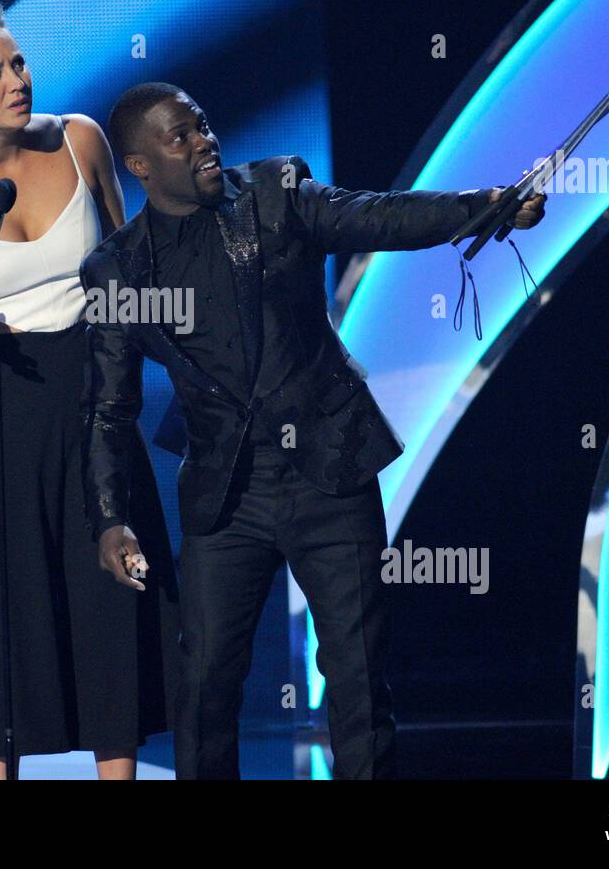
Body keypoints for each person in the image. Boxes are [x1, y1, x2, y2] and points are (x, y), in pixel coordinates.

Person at [81, 82, 547, 779]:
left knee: (357, 679)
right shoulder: (117, 269)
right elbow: (109, 407)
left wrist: (478, 209)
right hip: (225, 493)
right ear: (140, 165)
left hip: (329, 470)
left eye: (204, 125)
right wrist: (110, 517)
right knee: (205, 683)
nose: (205, 140)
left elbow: (377, 217)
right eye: (180, 135)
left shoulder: (276, 191)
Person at [0, 0, 179, 779]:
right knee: (6, 603)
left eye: (17, 62)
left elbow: (130, 263)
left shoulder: (80, 139)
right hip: (3, 405)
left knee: (110, 590)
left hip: (96, 396)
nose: (17, 80)